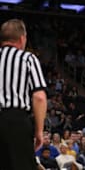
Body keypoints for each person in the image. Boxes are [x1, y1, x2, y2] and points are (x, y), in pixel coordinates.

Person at [0, 19, 47, 170]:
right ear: (22, 38)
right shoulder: (27, 58)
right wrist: (39, 132)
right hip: (15, 121)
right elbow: (39, 97)